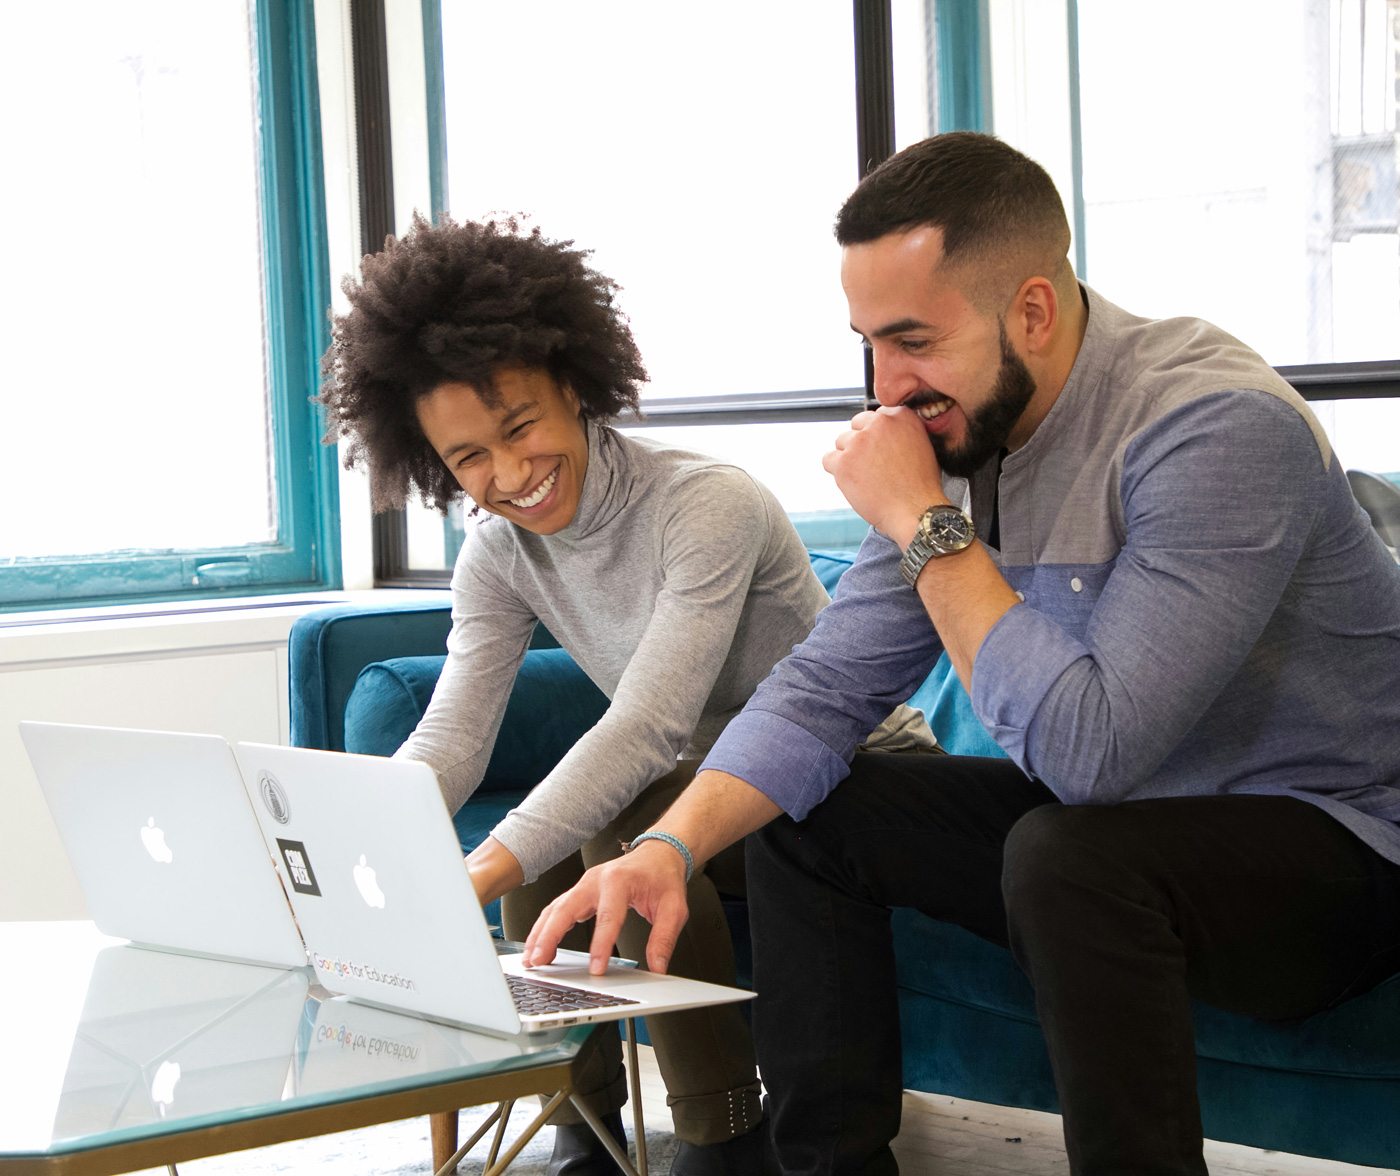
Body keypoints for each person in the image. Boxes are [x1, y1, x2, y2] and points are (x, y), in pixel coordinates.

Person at [522, 132, 1400, 1176]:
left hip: (1336, 859)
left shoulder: (1211, 427)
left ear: (1030, 308)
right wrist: (668, 850)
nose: (887, 387)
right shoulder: (966, 430)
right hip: (1120, 836)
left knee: (1066, 852)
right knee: (816, 814)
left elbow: (1089, 757)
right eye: (868, 345)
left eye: (913, 341)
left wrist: (923, 524)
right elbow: (819, 690)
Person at [317, 214, 934, 1176]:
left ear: (575, 388)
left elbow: (648, 727)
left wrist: (478, 870)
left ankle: (723, 1135)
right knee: (566, 834)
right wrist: (358, 839)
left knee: (608, 826)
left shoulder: (705, 505)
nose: (509, 474)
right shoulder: (497, 553)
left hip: (854, 776)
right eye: (470, 459)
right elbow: (453, 736)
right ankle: (581, 1119)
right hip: (709, 795)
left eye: (520, 427)